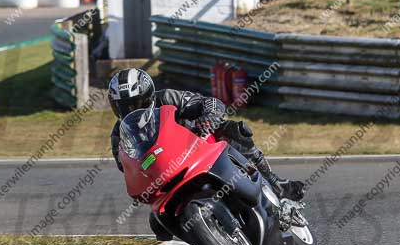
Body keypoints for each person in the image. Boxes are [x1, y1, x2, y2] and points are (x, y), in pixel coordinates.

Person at [107, 68, 306, 208]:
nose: (132, 110)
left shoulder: (167, 97)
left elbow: (209, 103)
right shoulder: (119, 134)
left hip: (200, 144)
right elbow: (127, 167)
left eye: (137, 103)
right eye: (125, 107)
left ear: (149, 96)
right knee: (157, 222)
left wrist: (207, 120)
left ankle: (274, 182)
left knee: (234, 130)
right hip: (166, 171)